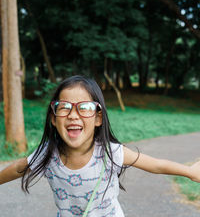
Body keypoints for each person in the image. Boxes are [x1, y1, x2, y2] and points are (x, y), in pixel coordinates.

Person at [0, 75, 200, 217]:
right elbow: (18, 168)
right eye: (64, 107)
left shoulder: (110, 152)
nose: (73, 114)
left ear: (98, 119)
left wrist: (190, 171)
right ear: (53, 118)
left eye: (84, 107)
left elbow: (155, 165)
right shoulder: (47, 154)